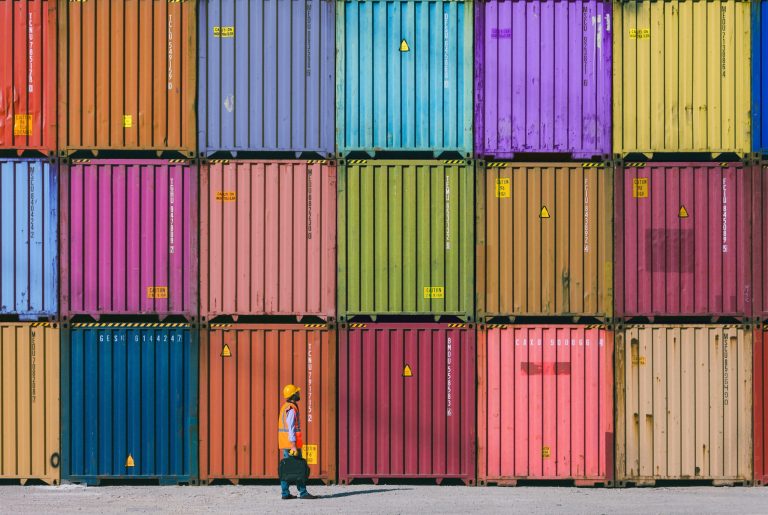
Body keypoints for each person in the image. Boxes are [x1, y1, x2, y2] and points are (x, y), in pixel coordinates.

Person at [278, 384, 317, 500]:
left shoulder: (286, 407)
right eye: (297, 392)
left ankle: (285, 493)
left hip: (286, 443)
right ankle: (303, 492)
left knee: (287, 469)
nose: (299, 394)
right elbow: (291, 428)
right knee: (298, 468)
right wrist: (293, 445)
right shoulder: (291, 409)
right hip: (291, 445)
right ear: (293, 395)